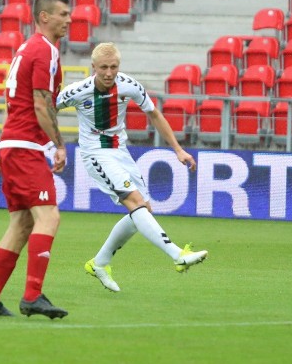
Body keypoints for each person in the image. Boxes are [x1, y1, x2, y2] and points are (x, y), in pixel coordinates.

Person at [57, 43, 209, 292]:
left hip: (121, 152)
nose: (109, 72)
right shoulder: (77, 91)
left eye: (113, 67)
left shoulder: (128, 84)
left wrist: (178, 149)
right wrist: (51, 144)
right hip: (96, 153)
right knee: (136, 203)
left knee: (144, 210)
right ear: (92, 67)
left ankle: (100, 263)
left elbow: (154, 113)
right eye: (103, 67)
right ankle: (177, 254)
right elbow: (44, 110)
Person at [0, 0, 71, 319]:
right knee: (49, 216)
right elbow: (40, 104)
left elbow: (17, 103)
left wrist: (8, 149)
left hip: (16, 144)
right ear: (44, 17)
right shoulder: (45, 50)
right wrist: (58, 144)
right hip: (26, 146)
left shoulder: (26, 49)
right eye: (62, 13)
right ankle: (32, 295)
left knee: (21, 223)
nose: (68, 19)